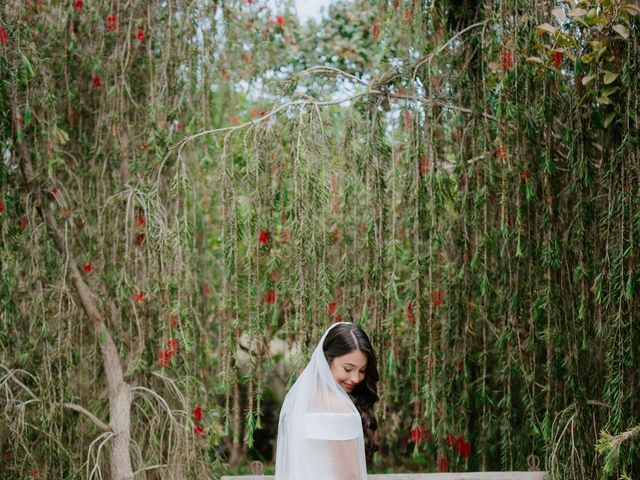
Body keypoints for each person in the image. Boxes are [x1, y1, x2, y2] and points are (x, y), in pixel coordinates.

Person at [275, 322, 379, 480]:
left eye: (362, 370)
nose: (356, 378)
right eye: (348, 369)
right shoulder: (339, 408)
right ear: (327, 360)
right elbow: (351, 477)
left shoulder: (301, 401)